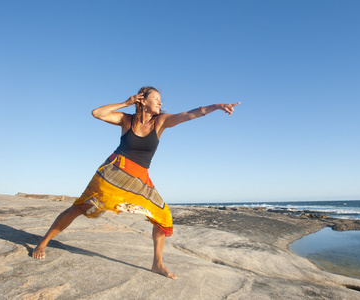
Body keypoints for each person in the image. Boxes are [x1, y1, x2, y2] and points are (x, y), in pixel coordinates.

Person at [31, 86, 241, 279]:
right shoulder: (126, 120)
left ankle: (157, 263)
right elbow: (97, 113)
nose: (160, 102)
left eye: (160, 100)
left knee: (163, 216)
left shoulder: (161, 121)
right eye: (155, 99)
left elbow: (189, 114)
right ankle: (43, 243)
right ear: (143, 101)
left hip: (140, 179)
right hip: (112, 173)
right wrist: (126, 102)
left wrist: (216, 106)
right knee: (79, 207)